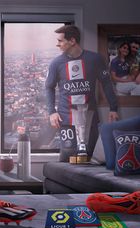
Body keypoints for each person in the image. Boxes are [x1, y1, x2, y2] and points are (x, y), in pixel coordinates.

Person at [45, 25, 118, 156]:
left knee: (89, 157)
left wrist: (113, 108)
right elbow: (49, 87)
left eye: (60, 41)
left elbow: (106, 83)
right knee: (69, 156)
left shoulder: (95, 59)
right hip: (66, 117)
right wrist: (52, 112)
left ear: (72, 41)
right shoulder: (56, 63)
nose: (57, 44)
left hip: (89, 117)